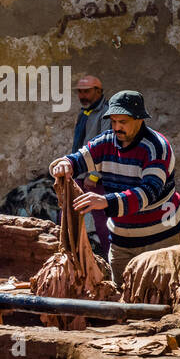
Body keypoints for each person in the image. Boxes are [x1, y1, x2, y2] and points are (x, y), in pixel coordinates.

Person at [49, 90, 180, 285]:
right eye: (113, 121)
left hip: (160, 238)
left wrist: (105, 201)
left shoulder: (156, 147)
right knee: (122, 292)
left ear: (139, 119)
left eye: (123, 122)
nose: (117, 127)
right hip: (121, 239)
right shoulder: (106, 141)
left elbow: (149, 192)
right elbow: (77, 159)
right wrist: (62, 165)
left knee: (158, 294)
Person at [71, 74, 111, 251]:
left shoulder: (106, 114)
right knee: (69, 214)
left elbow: (107, 147)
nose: (82, 95)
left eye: (86, 91)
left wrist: (94, 175)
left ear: (99, 91)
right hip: (79, 173)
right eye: (80, 92)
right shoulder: (84, 113)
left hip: (94, 176)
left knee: (102, 220)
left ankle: (109, 258)